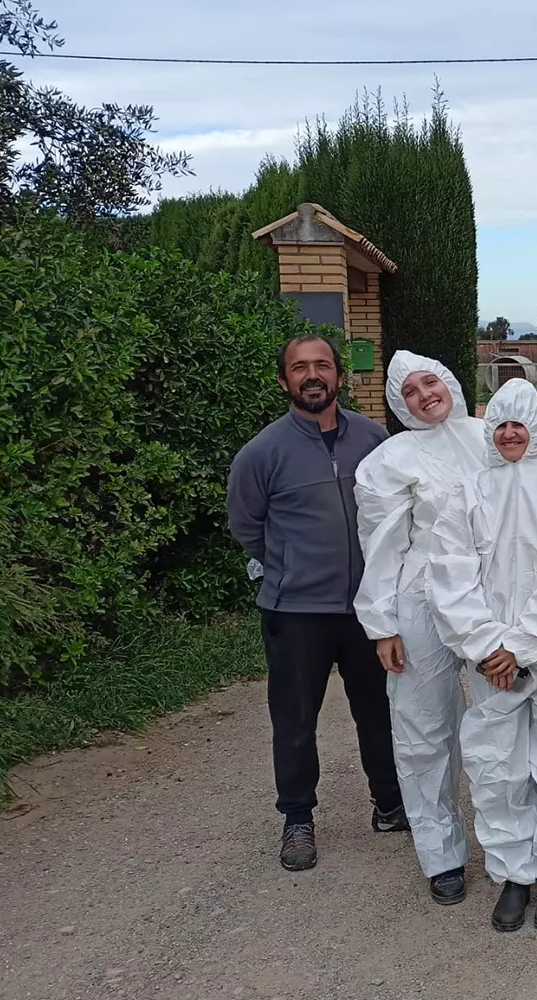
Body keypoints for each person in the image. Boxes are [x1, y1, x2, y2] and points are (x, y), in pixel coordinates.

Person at [426, 379, 537, 933]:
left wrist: (522, 645)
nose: (509, 434)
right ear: (489, 429)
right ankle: (513, 871)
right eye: (500, 424)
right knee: (497, 764)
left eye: (519, 423)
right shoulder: (468, 492)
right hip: (492, 662)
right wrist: (486, 647)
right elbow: (449, 575)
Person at [227, 333, 405, 873]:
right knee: (295, 719)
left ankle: (390, 801)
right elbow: (247, 526)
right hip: (295, 612)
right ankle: (298, 818)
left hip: (367, 611)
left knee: (379, 712)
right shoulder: (262, 453)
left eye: (322, 366)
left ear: (338, 377)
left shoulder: (375, 439)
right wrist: (289, 567)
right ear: (284, 381)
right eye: (300, 368)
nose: (312, 375)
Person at [353, 351, 488, 905]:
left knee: (503, 716)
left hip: (488, 596)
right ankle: (441, 854)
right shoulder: (389, 460)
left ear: (450, 383)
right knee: (423, 725)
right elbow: (381, 545)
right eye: (409, 391)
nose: (424, 394)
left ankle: (515, 840)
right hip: (422, 599)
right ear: (398, 404)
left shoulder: (489, 435)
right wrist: (383, 623)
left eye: (430, 381)